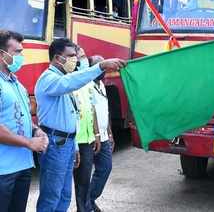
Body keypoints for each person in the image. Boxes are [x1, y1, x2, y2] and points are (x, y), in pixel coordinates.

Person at [35, 38, 125, 212]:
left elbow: (72, 116)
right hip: (55, 143)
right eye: (70, 56)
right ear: (57, 58)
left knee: (64, 194)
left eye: (76, 56)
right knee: (51, 195)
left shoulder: (64, 78)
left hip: (67, 143)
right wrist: (100, 66)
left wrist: (74, 145)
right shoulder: (49, 79)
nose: (74, 60)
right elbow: (70, 83)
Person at [0, 30, 48, 212]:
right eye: (17, 52)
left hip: (23, 165)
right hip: (3, 171)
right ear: (2, 54)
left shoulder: (16, 84)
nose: (22, 56)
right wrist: (29, 142)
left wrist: (36, 130)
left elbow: (21, 116)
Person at [73, 47, 101, 212]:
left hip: (88, 139)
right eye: (80, 56)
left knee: (85, 179)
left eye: (85, 56)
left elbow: (93, 109)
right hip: (75, 140)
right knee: (76, 181)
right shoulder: (70, 82)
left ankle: (84, 208)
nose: (84, 59)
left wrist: (96, 134)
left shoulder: (88, 82)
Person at [88, 55, 114, 212]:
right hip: (92, 137)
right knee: (84, 175)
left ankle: (89, 199)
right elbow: (91, 112)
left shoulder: (102, 85)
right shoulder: (87, 86)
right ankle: (87, 203)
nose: (103, 71)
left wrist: (110, 133)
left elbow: (105, 110)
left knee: (105, 168)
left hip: (104, 136)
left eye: (104, 67)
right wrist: (96, 134)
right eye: (99, 67)